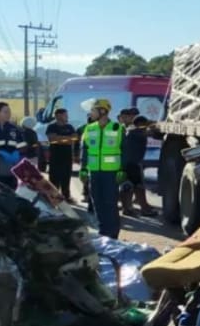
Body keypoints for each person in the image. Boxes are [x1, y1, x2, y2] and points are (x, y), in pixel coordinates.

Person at [79, 98, 125, 238]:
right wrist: (83, 169)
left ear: (103, 111)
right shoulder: (89, 128)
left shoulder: (118, 128)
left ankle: (113, 235)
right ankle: (103, 232)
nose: (91, 113)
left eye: (93, 110)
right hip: (94, 172)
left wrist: (123, 169)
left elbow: (125, 150)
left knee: (110, 204)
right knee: (97, 203)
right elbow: (85, 150)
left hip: (111, 173)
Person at [120, 115, 157, 216]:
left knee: (127, 186)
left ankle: (127, 208)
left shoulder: (131, 131)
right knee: (137, 187)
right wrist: (154, 125)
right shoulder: (137, 132)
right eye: (145, 124)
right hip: (133, 164)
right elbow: (151, 133)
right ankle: (143, 209)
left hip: (128, 163)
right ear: (140, 124)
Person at [45, 107, 77, 201]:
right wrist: (67, 139)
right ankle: (54, 197)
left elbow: (74, 139)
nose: (67, 117)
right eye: (65, 115)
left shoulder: (69, 127)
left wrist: (60, 138)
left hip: (67, 157)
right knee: (54, 178)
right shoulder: (52, 127)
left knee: (66, 177)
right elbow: (52, 139)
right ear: (58, 116)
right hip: (55, 157)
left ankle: (66, 196)